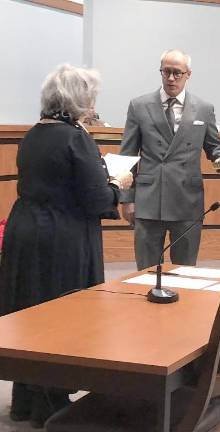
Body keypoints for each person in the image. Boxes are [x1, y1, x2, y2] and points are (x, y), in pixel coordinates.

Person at [0, 64, 132, 428]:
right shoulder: (76, 137)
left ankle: (25, 400)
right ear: (77, 100)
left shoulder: (33, 135)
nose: (92, 105)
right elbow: (95, 200)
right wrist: (118, 183)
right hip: (61, 235)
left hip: (25, 228)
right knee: (61, 316)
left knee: (29, 313)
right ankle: (51, 404)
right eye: (90, 98)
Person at [119, 49, 220, 270]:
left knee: (186, 270)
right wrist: (127, 199)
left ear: (188, 74)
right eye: (166, 72)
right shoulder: (139, 106)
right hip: (149, 200)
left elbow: (214, 147)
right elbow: (128, 156)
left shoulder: (203, 109)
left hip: (187, 201)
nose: (171, 78)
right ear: (160, 72)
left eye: (177, 73)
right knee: (146, 272)